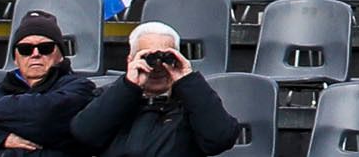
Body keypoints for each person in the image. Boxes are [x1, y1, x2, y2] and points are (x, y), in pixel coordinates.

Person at [62, 26, 235, 157]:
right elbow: (84, 134)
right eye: (148, 58)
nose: (157, 67)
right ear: (131, 60)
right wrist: (129, 86)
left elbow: (220, 138)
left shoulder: (192, 102)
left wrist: (187, 79)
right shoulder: (112, 98)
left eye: (167, 58)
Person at [0, 8, 98, 155]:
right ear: (15, 59)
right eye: (25, 49)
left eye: (45, 48)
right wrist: (1, 138)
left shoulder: (80, 87)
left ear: (61, 56)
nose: (35, 54)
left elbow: (43, 120)